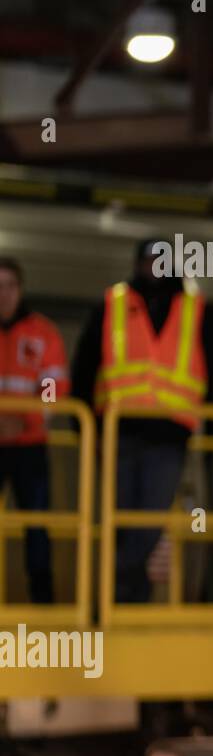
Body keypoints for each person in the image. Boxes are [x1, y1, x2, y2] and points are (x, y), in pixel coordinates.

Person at [70, 239, 213, 602]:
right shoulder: (112, 305)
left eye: (161, 261)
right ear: (137, 264)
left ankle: (119, 597)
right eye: (149, 260)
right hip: (118, 431)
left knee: (148, 524)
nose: (154, 267)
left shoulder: (195, 310)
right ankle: (123, 598)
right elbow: (85, 368)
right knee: (117, 521)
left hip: (169, 435)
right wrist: (84, 429)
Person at [0, 257, 68, 603]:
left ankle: (43, 605)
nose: (3, 294)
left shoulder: (44, 334)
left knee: (37, 526)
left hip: (29, 444)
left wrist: (29, 419)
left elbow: (54, 386)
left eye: (10, 286)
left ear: (21, 290)